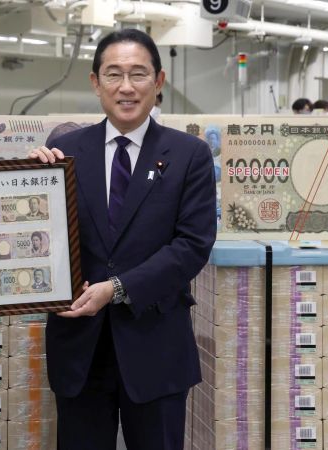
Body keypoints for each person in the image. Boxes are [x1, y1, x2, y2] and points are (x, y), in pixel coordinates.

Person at [29, 29, 216, 450]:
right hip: (80, 349)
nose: (126, 87)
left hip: (156, 344)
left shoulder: (189, 155)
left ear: (159, 82)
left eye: (138, 74)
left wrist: (116, 289)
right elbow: (39, 237)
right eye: (113, 75)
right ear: (95, 82)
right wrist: (30, 183)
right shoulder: (63, 151)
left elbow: (191, 247)